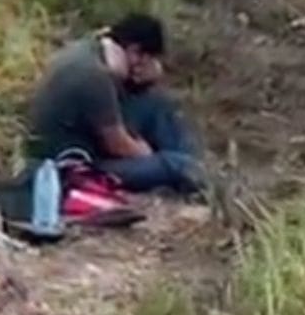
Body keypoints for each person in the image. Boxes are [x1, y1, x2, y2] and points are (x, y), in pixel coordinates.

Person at [26, 13, 203, 195]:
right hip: (78, 166)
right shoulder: (94, 76)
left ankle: (190, 167)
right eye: (147, 59)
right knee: (177, 165)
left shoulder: (90, 49)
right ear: (135, 52)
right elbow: (119, 145)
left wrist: (147, 80)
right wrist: (147, 153)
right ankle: (193, 171)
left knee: (156, 102)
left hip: (85, 141)